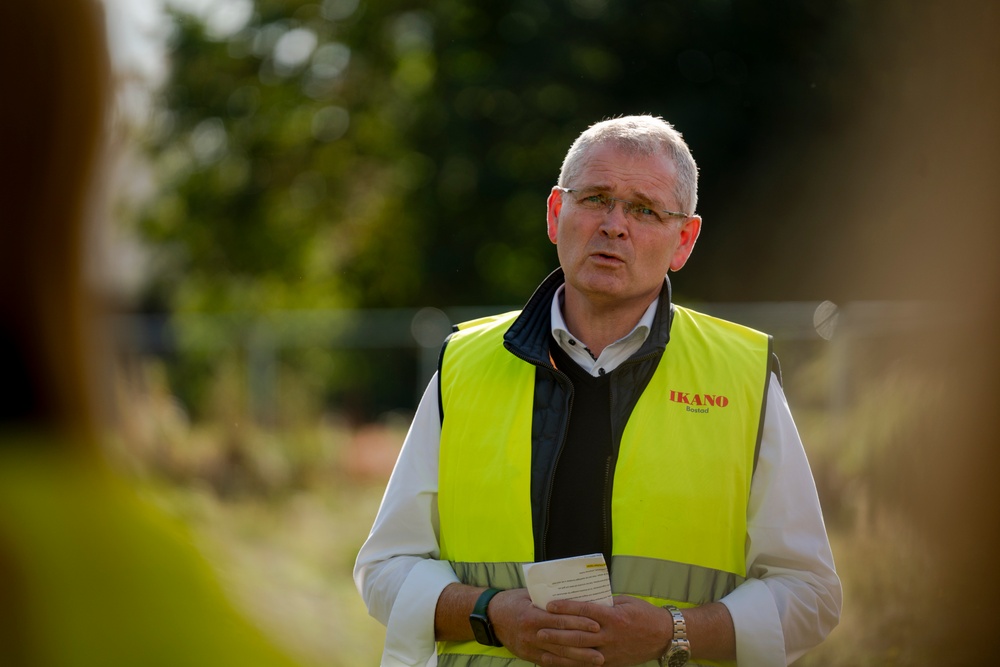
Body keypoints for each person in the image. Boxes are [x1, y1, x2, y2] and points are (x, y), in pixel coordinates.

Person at [354, 115, 841, 667]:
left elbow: (811, 596)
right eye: (596, 199)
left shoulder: (743, 375)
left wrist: (670, 632)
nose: (614, 225)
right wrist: (492, 615)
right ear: (556, 213)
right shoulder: (463, 364)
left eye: (644, 210)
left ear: (684, 240)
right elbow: (386, 570)